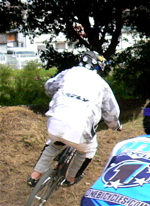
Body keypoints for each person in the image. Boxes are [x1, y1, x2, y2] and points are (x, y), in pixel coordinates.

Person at [27, 50, 122, 188]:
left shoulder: (68, 72)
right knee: (88, 150)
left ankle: (35, 175)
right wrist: (115, 126)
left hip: (55, 122)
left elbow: (49, 87)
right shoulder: (102, 84)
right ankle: (70, 178)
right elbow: (112, 112)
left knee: (54, 143)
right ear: (99, 67)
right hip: (80, 129)